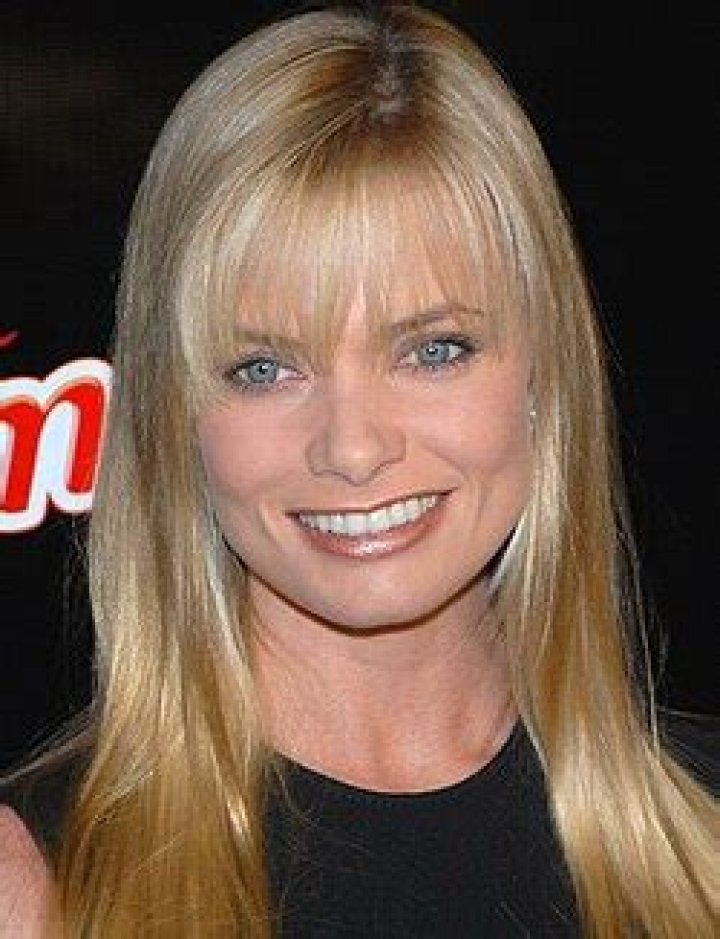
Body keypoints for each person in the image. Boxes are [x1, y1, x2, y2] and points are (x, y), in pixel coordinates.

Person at [1, 3, 717, 936]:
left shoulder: (702, 837)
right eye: (264, 368)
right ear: (172, 412)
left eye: (434, 349)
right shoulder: (34, 888)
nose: (352, 447)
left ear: (545, 372)